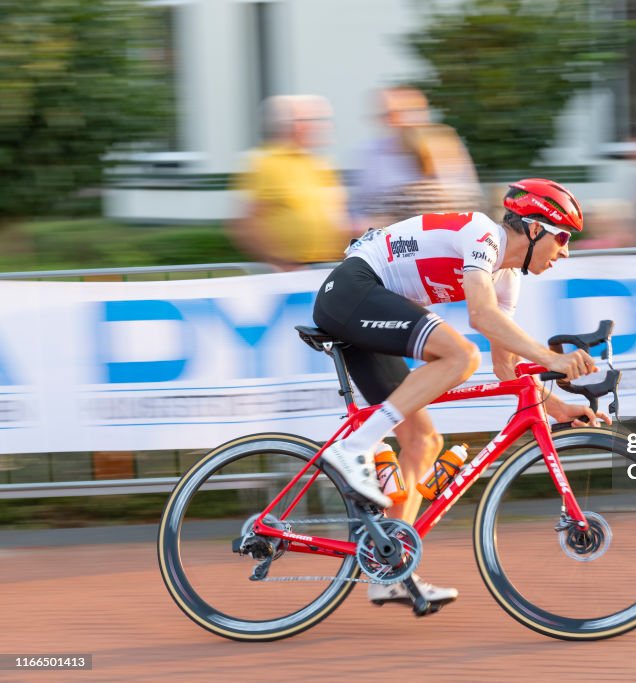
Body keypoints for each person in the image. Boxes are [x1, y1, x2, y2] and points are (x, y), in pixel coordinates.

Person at [312, 178, 608, 605]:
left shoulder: (507, 279)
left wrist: (557, 406)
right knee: (460, 356)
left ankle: (388, 570)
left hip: (370, 313)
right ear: (532, 228)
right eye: (562, 237)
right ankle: (355, 447)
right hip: (352, 290)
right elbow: (480, 316)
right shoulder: (483, 236)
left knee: (425, 442)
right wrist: (552, 359)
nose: (565, 250)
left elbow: (506, 366)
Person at [231, 95, 350, 269]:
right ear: (293, 124)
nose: (322, 126)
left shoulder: (322, 163)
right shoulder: (264, 163)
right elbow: (245, 224)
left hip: (329, 266)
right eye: (314, 120)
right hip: (289, 271)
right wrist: (276, 263)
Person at [348, 86, 482, 231]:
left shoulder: (443, 147)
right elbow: (359, 208)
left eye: (402, 113)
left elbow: (466, 204)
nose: (395, 121)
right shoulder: (372, 153)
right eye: (387, 114)